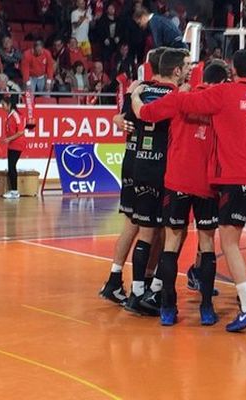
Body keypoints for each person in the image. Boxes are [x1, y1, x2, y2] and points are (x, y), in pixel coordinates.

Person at [132, 49, 246, 333]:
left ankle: (168, 307)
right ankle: (225, 309)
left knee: (186, 242)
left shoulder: (216, 96)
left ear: (234, 71)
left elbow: (154, 111)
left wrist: (136, 96)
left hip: (198, 181)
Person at [131, 61, 228, 326]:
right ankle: (206, 308)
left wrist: (135, 95)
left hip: (177, 181)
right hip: (207, 183)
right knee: (206, 245)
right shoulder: (221, 103)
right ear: (221, 81)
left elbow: (145, 114)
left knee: (171, 243)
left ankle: (167, 308)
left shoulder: (179, 99)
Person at [99, 47, 168, 306]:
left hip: (133, 161)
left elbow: (124, 118)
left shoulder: (137, 90)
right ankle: (145, 283)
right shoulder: (167, 94)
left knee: (133, 223)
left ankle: (115, 279)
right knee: (154, 228)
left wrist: (118, 117)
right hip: (151, 164)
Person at [122, 49, 187, 318]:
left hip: (139, 166)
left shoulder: (140, 89)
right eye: (184, 67)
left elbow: (126, 118)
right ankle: (157, 289)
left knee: (145, 232)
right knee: (174, 232)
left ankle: (137, 293)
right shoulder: (177, 96)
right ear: (176, 71)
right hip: (165, 169)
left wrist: (132, 94)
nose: (186, 71)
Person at [1, 95, 25, 200]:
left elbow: (21, 131)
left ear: (9, 105)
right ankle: (13, 190)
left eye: (3, 105)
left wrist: (9, 139)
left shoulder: (15, 115)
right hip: (12, 145)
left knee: (12, 167)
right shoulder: (9, 115)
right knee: (11, 167)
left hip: (17, 144)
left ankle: (15, 192)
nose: (2, 107)